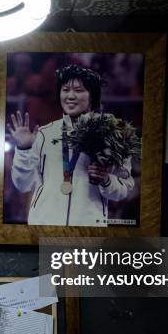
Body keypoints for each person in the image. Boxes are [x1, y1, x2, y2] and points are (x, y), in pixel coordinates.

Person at [9, 65, 135, 227]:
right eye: (65, 89)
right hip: (45, 227)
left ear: (93, 96)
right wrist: (24, 149)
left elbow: (124, 189)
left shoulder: (112, 134)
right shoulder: (44, 134)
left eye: (78, 90)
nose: (70, 96)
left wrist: (105, 180)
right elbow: (23, 184)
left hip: (88, 230)